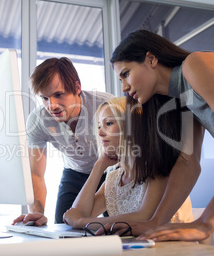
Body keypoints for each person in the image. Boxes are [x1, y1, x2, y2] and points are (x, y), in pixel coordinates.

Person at [109, 29, 214, 242]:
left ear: (150, 59)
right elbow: (188, 162)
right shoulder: (183, 98)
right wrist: (156, 222)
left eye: (125, 73)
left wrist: (205, 223)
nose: (124, 87)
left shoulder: (196, 65)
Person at [62, 97, 193, 230]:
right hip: (139, 248)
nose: (100, 133)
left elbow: (144, 217)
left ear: (130, 127)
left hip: (174, 248)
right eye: (99, 126)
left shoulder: (158, 167)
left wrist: (82, 222)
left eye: (108, 123)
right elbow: (79, 213)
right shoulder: (113, 180)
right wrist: (98, 167)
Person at [13, 57, 113, 225]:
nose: (51, 106)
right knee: (63, 227)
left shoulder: (106, 105)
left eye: (58, 95)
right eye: (44, 98)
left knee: (119, 228)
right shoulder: (38, 120)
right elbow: (36, 174)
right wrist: (37, 213)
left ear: (77, 87)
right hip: (74, 171)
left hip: (111, 171)